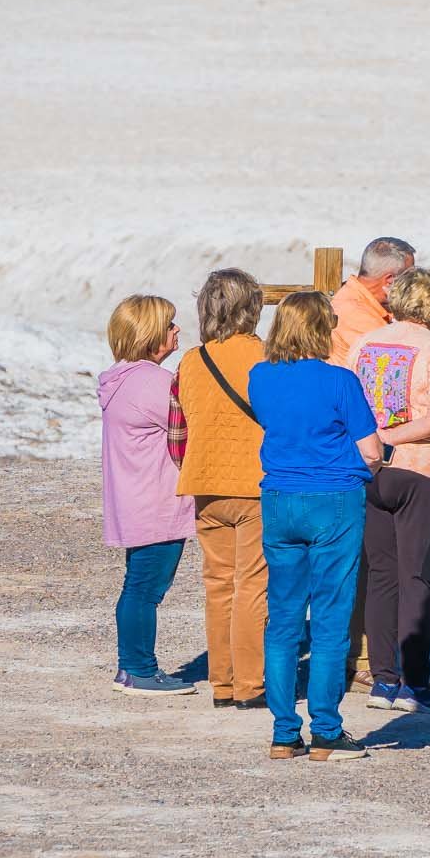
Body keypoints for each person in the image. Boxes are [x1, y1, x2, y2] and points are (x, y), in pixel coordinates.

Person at [250, 291, 384, 761]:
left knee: (283, 617)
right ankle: (326, 728)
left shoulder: (260, 376)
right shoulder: (340, 381)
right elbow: (371, 449)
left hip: (280, 495)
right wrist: (367, 470)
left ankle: (284, 730)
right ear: (321, 328)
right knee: (330, 616)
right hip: (334, 496)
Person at [350, 267, 430, 714]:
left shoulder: (365, 344)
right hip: (423, 470)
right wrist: (391, 437)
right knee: (416, 579)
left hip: (371, 471)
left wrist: (373, 441)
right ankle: (415, 683)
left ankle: (383, 679)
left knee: (381, 577)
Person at [168, 268, 268, 711]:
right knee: (253, 585)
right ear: (253, 308)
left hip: (206, 484)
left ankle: (222, 683)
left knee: (218, 584)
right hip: (256, 484)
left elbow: (177, 432)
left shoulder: (191, 361)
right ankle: (250, 684)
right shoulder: (266, 357)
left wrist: (195, 465)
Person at [98, 294, 196, 697]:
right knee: (145, 590)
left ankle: (130, 667)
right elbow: (194, 424)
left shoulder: (120, 379)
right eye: (169, 324)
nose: (177, 330)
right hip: (157, 503)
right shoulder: (153, 382)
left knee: (137, 585)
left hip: (134, 500)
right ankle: (139, 669)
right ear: (150, 334)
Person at [330, 236, 416, 691]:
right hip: (355, 450)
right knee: (365, 557)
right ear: (390, 279)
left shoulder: (355, 308)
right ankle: (358, 654)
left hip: (349, 446)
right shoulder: (360, 321)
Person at [331, 236, 417, 367]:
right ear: (390, 280)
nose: (413, 283)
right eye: (410, 278)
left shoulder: (358, 300)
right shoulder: (355, 313)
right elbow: (401, 361)